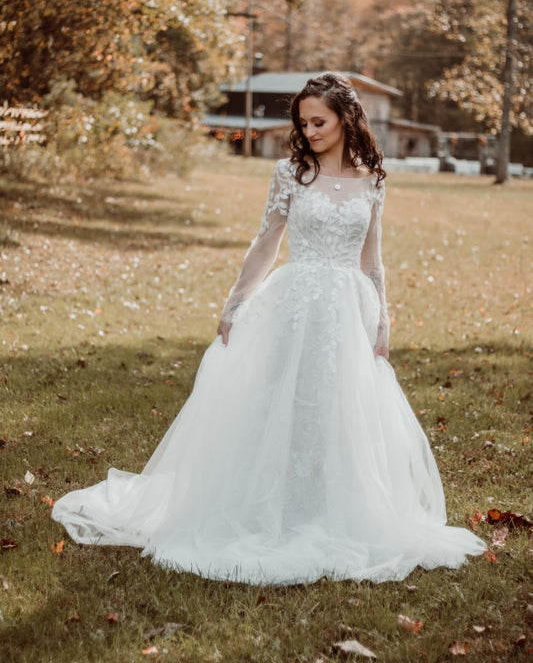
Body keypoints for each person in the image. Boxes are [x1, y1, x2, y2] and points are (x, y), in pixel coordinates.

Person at [52, 72, 486, 584]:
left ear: (346, 118)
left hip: (348, 309)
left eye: (319, 121)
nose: (310, 130)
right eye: (304, 122)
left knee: (339, 405)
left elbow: (374, 257)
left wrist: (383, 319)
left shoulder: (372, 177)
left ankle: (330, 508)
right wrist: (235, 303)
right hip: (295, 302)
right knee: (282, 400)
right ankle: (268, 502)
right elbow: (266, 243)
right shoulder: (290, 173)